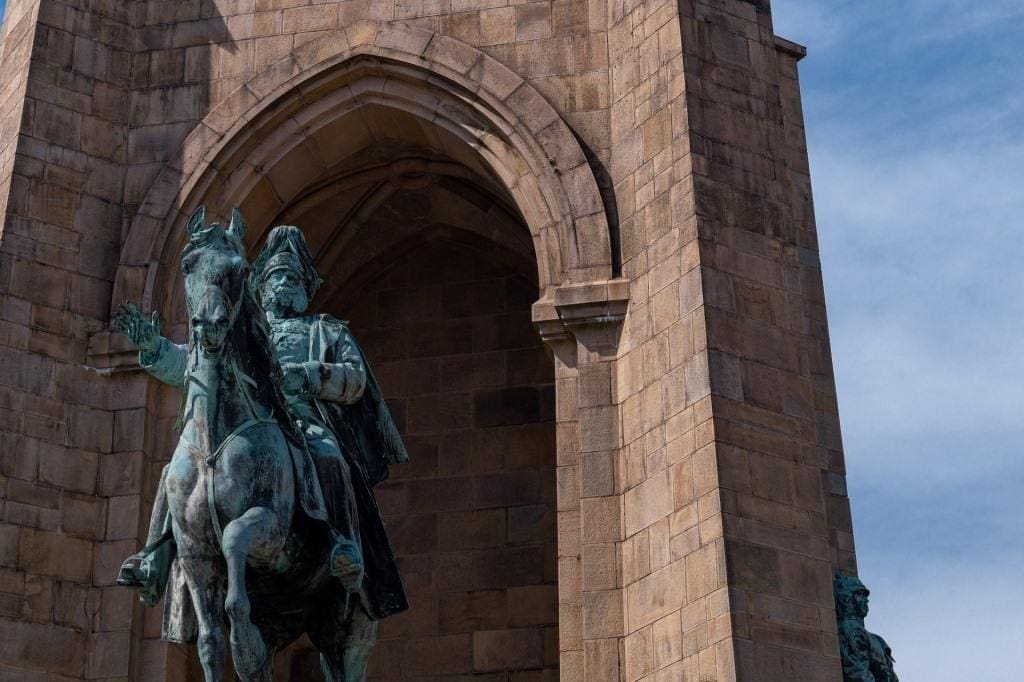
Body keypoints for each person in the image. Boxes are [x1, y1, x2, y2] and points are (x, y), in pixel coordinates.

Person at [115, 224, 409, 626]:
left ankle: (343, 545)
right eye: (276, 277)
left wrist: (306, 376)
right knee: (178, 470)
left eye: (292, 278)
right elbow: (191, 362)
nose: (284, 284)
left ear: (306, 288)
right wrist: (153, 348)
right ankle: (154, 555)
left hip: (304, 418)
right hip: (248, 418)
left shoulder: (326, 329)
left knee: (327, 455)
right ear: (263, 286)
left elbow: (354, 380)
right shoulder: (247, 332)